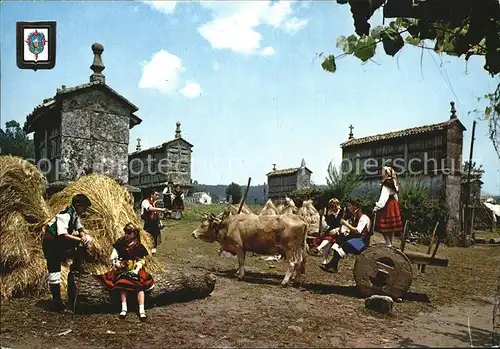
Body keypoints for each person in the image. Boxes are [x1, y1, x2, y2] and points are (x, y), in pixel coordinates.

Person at [42, 193, 93, 311]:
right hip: (52, 244)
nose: (85, 210)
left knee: (84, 243)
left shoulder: (74, 214)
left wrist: (83, 236)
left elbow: (80, 228)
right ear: (78, 205)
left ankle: (76, 268)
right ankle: (57, 303)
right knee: (55, 273)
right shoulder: (64, 215)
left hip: (60, 243)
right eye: (84, 207)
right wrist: (80, 240)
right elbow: (62, 235)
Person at [95, 223, 154, 321]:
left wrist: (136, 268)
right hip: (122, 269)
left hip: (135, 269)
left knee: (140, 285)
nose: (126, 235)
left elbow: (141, 260)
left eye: (129, 232)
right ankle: (124, 308)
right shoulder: (120, 243)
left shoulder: (138, 246)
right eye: (125, 232)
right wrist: (116, 262)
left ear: (134, 234)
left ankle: (142, 310)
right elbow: (114, 255)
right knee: (122, 284)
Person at [320, 199, 372, 273]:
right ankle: (333, 266)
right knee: (339, 240)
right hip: (355, 238)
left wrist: (346, 224)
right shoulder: (353, 216)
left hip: (362, 241)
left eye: (349, 206)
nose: (348, 208)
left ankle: (332, 265)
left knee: (346, 244)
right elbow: (349, 229)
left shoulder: (364, 217)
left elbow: (358, 230)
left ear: (355, 207)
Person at [373, 166, 403, 247]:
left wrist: (377, 207)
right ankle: (391, 243)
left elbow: (384, 197)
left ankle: (388, 243)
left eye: (382, 172)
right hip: (393, 203)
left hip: (388, 204)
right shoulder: (394, 181)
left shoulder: (386, 183)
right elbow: (396, 195)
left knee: (383, 226)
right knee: (391, 226)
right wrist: (396, 204)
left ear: (386, 173)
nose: (381, 174)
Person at [312, 198, 345, 265]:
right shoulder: (329, 213)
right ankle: (323, 259)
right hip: (330, 231)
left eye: (335, 205)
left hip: (341, 231)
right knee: (328, 242)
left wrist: (337, 229)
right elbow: (325, 224)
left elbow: (345, 223)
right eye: (331, 206)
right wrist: (321, 216)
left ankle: (318, 249)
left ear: (338, 205)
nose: (333, 207)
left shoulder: (343, 212)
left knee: (329, 239)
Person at [141, 190, 167, 255]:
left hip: (154, 221)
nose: (157, 196)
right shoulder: (145, 201)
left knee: (155, 234)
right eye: (156, 194)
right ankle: (146, 248)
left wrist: (160, 222)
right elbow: (150, 208)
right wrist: (161, 209)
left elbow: (156, 213)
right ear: (151, 195)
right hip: (148, 222)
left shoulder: (154, 202)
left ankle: (153, 249)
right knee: (147, 235)